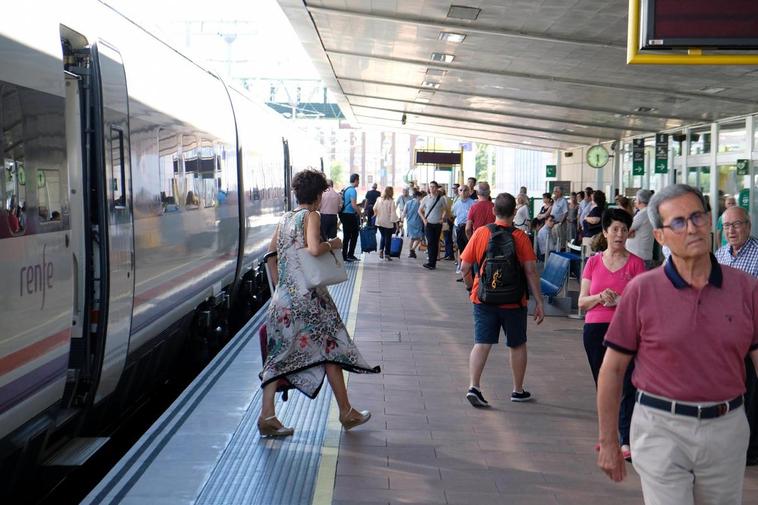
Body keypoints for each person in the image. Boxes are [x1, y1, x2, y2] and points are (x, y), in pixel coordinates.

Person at [596, 184, 758, 505]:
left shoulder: (745, 289)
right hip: (659, 426)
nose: (692, 228)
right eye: (679, 222)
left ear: (710, 221)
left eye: (697, 217)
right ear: (660, 236)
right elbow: (613, 370)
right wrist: (609, 442)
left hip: (726, 427)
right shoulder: (643, 289)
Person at [258, 170, 380, 438]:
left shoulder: (285, 218)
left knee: (278, 358)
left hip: (282, 302)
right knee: (332, 348)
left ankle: (267, 415)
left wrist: (282, 288)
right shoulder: (309, 216)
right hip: (310, 301)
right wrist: (334, 243)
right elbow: (314, 248)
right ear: (317, 195)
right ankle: (346, 412)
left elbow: (270, 256)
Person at [460, 192, 544, 407]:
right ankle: (517, 390)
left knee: (482, 343)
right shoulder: (521, 237)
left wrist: (472, 287)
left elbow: (465, 267)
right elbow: (531, 271)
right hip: (514, 301)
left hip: (484, 299)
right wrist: (539, 301)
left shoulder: (480, 233)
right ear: (514, 212)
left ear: (493, 211)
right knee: (517, 344)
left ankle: (474, 386)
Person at [578, 208, 645, 462]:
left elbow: (643, 304)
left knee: (628, 383)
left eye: (624, 229)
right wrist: (599, 297)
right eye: (614, 229)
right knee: (604, 384)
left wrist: (620, 300)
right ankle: (608, 435)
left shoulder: (637, 264)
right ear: (605, 232)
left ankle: (626, 439)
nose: (619, 234)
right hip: (595, 330)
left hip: (626, 330)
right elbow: (582, 302)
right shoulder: (593, 262)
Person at [715, 206, 758, 466]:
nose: (731, 230)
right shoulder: (720, 255)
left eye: (737, 225)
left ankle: (751, 450)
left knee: (752, 393)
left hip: (752, 335)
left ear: (748, 226)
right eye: (727, 226)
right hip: (725, 338)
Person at [418, 180, 449, 270]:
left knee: (435, 243)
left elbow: (445, 209)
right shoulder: (426, 198)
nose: (432, 188)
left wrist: (442, 218)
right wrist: (424, 220)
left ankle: (433, 263)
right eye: (430, 186)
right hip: (429, 224)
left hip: (437, 224)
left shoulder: (441, 198)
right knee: (430, 242)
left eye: (434, 187)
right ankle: (431, 262)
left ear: (437, 188)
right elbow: (419, 210)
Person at [626, 189, 655, 269]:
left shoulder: (642, 214)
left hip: (638, 257)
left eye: (636, 199)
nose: (634, 201)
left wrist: (629, 233)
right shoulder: (650, 212)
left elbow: (626, 231)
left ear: (639, 201)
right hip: (643, 255)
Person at [452, 185, 475, 275]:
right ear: (458, 192)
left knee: (468, 247)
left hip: (468, 227)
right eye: (461, 190)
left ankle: (469, 268)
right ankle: (461, 265)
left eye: (465, 190)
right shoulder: (456, 203)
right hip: (459, 227)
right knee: (460, 247)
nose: (463, 192)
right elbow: (454, 214)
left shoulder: (473, 203)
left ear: (469, 191)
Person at [339, 174, 362, 262]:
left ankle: (344, 255)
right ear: (356, 180)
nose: (359, 182)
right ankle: (350, 254)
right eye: (358, 180)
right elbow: (353, 205)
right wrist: (360, 213)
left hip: (344, 215)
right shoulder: (353, 190)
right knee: (355, 234)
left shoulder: (346, 188)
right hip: (350, 215)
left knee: (347, 235)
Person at [374, 186, 398, 261]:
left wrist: (377, 214)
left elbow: (374, 208)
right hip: (387, 222)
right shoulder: (391, 201)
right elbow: (393, 213)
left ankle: (381, 250)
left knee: (383, 236)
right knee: (388, 238)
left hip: (379, 221)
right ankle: (387, 254)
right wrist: (396, 223)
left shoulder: (379, 199)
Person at [404, 190, 425, 258]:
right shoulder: (420, 203)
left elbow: (404, 212)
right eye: (421, 197)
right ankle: (412, 250)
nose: (421, 198)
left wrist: (401, 220)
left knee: (412, 238)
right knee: (420, 237)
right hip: (418, 222)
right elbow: (424, 212)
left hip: (409, 222)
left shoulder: (408, 203)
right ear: (418, 196)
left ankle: (411, 251)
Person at [550, 186, 568, 250]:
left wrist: (560, 223)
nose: (554, 193)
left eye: (556, 192)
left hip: (559, 224)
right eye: (554, 191)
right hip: (553, 223)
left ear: (560, 193)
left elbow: (565, 213)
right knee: (555, 241)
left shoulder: (563, 201)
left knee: (560, 242)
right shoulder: (555, 200)